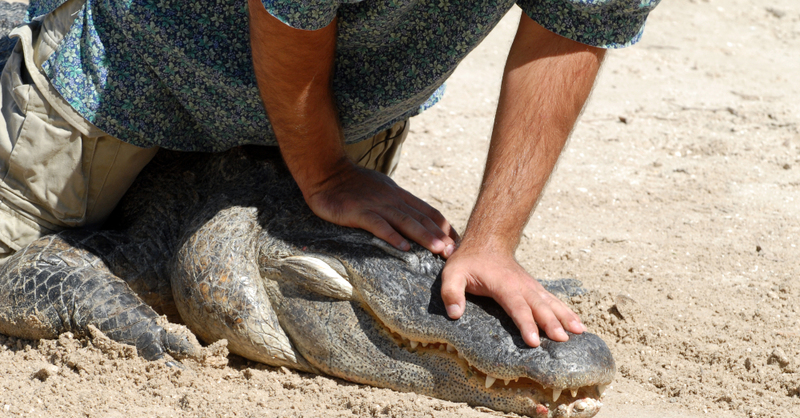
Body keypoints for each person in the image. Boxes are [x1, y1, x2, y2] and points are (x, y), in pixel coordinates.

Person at [0, 0, 660, 347]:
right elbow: (287, 13)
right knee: (9, 266)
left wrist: (494, 237)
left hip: (339, 111)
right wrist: (327, 177)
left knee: (384, 277)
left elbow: (575, 23)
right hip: (138, 72)